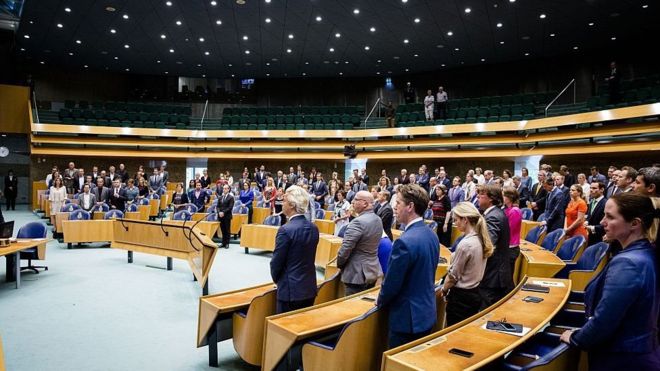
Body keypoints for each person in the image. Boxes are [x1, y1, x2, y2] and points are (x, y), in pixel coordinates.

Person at [560, 193, 660, 370]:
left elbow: (606, 318)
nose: (602, 222)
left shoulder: (628, 262)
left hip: (622, 358)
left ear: (635, 223)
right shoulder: (645, 252)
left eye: (610, 217)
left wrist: (576, 337)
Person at [376, 184, 439, 348]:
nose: (394, 207)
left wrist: (379, 301)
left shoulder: (404, 242)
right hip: (426, 313)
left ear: (410, 206)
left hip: (407, 319)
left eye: (398, 203)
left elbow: (392, 284)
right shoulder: (431, 234)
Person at [440, 202, 493, 325]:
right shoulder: (480, 237)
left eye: (456, 219)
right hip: (475, 293)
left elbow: (453, 276)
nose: (455, 223)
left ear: (465, 220)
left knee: (453, 332)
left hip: (460, 299)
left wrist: (443, 289)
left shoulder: (466, 244)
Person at [270, 185, 320, 313]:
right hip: (309, 287)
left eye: (285, 200)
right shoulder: (313, 228)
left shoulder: (285, 230)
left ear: (292, 205)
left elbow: (276, 263)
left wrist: (277, 280)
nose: (282, 203)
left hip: (290, 291)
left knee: (284, 329)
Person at [336, 190, 384, 296]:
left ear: (365, 203)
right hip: (372, 270)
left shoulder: (357, 222)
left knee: (352, 309)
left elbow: (345, 250)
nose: (352, 201)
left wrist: (339, 264)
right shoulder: (378, 220)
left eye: (356, 199)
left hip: (356, 275)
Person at [477, 184, 511, 307]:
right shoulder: (495, 213)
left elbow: (488, 245)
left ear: (490, 198)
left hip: (493, 276)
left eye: (481, 195)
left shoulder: (493, 217)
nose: (478, 197)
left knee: (486, 315)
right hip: (496, 274)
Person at [502, 186, 522, 282]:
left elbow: (509, 230)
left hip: (511, 248)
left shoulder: (515, 211)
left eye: (503, 196)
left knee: (508, 279)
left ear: (509, 197)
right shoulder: (506, 209)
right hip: (506, 247)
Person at [585, 182, 607, 246]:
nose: (591, 190)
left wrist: (592, 228)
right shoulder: (592, 201)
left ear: (602, 190)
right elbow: (590, 216)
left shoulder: (605, 203)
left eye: (594, 188)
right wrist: (587, 221)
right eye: (590, 188)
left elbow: (606, 223)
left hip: (600, 237)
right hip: (591, 236)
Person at [217, 184, 234, 249]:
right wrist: (219, 212)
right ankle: (223, 243)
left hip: (227, 216)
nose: (224, 190)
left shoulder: (231, 197)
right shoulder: (220, 197)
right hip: (221, 216)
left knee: (227, 230)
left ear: (229, 189)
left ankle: (227, 243)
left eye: (226, 188)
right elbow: (218, 206)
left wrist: (223, 212)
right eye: (223, 188)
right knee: (222, 230)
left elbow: (230, 207)